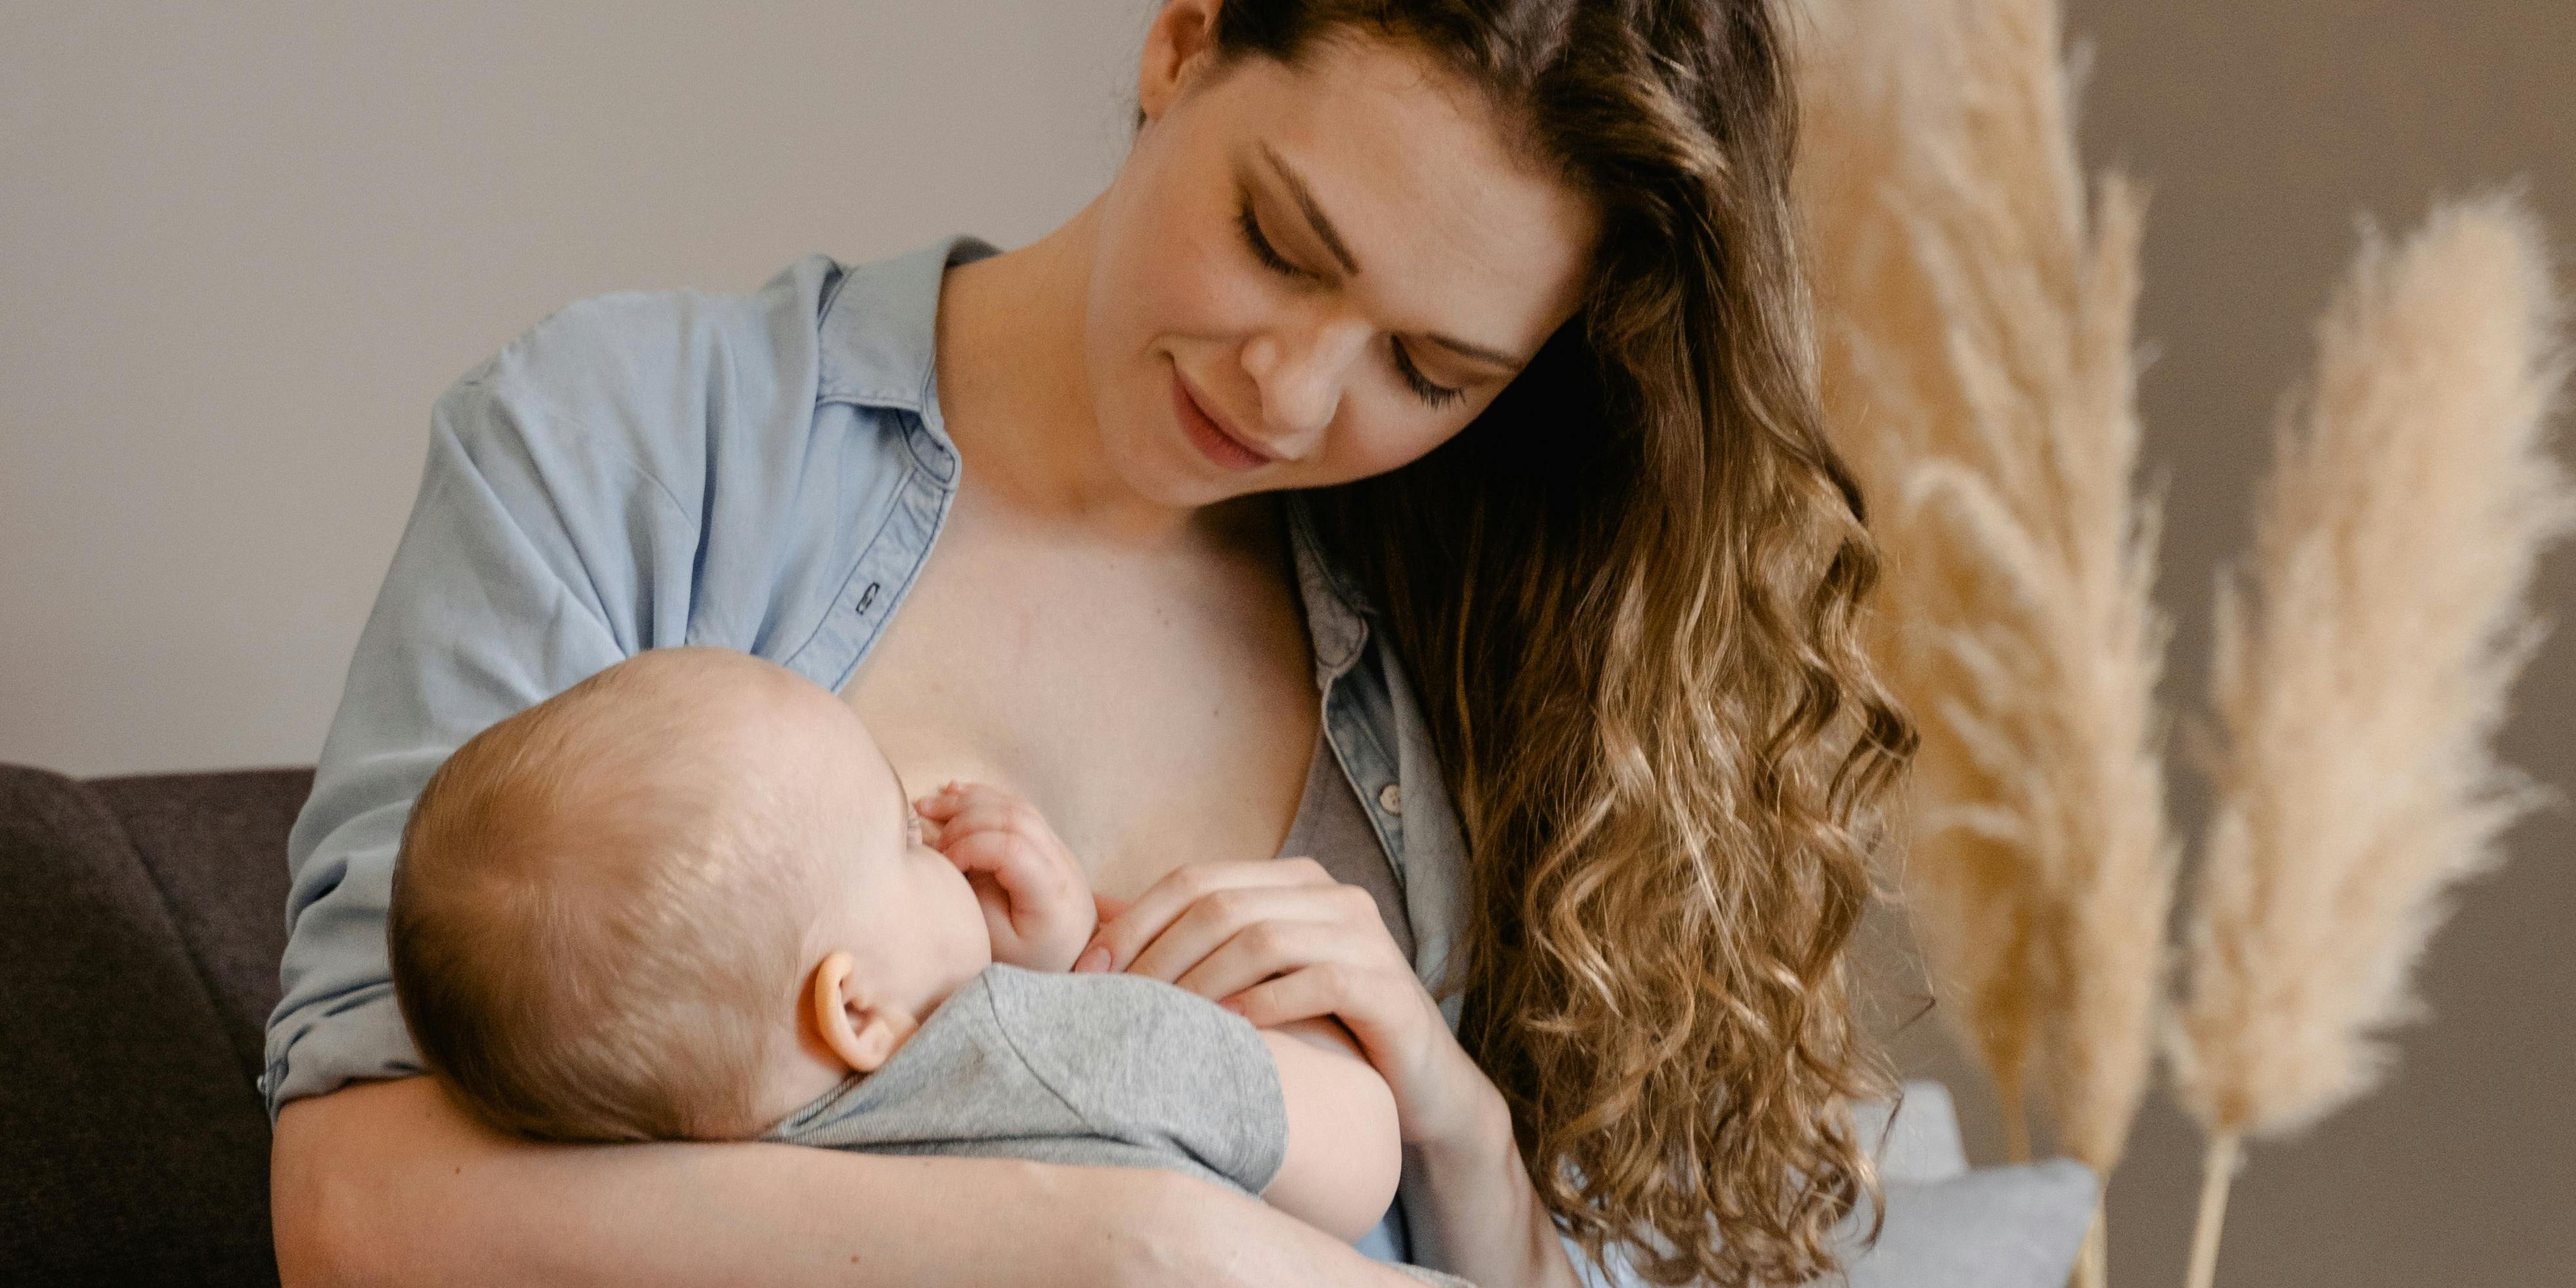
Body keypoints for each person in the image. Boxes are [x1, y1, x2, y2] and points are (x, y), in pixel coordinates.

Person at [264, 1, 1916, 1285]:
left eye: (1428, 370)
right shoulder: (630, 446)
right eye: (1280, 242)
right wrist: (1143, 1248)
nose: (1287, 396)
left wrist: (1449, 1116)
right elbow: (360, 1213)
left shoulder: (1482, 645)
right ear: (1183, 39)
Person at [381, 645, 1440, 1267]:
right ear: (853, 1009)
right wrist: (1141, 994)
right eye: (898, 835)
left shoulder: (704, 1191)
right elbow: (1358, 1159)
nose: (936, 833)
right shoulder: (1036, 1047)